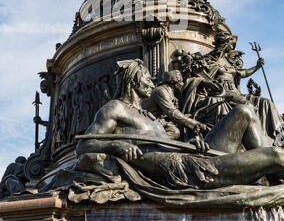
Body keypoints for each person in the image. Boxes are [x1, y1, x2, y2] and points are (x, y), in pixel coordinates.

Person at [76, 59, 284, 190]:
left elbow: (163, 145)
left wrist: (193, 141)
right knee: (277, 156)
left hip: (191, 155)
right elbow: (83, 145)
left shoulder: (147, 115)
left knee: (244, 111)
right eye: (147, 79)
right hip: (183, 171)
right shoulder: (115, 108)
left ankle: (275, 178)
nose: (152, 83)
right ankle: (275, 172)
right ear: (133, 81)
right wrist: (115, 146)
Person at [141, 70, 208, 140]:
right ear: (173, 83)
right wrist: (195, 124)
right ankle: (150, 144)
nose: (182, 84)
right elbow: (172, 112)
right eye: (180, 81)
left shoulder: (171, 93)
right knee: (174, 132)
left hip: (163, 121)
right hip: (152, 120)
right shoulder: (161, 91)